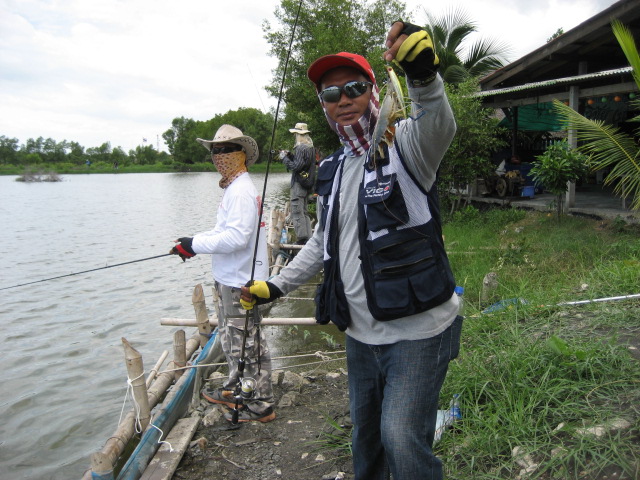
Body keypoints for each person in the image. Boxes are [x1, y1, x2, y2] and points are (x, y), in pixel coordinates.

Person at [241, 21, 463, 479]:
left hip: (418, 333)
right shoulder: (335, 167)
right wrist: (276, 285)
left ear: (373, 92)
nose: (342, 99)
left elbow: (438, 122)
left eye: (353, 88)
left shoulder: (407, 148)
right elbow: (324, 239)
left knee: (401, 438)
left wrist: (424, 77)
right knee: (367, 442)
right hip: (360, 336)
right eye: (330, 94)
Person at [170, 124, 275, 423]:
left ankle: (260, 405)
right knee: (234, 340)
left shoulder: (241, 191)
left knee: (247, 344)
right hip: (229, 279)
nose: (219, 156)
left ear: (242, 154)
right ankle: (234, 388)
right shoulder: (234, 187)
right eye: (215, 151)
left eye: (226, 150)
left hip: (240, 282)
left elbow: (237, 238)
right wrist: (191, 244)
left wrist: (196, 244)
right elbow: (222, 232)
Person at [280, 122, 316, 244]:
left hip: (299, 185)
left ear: (299, 134)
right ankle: (308, 238)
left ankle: (301, 239)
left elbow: (296, 166)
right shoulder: (310, 147)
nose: (295, 136)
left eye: (296, 134)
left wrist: (284, 158)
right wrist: (290, 155)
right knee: (304, 211)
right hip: (306, 184)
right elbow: (302, 163)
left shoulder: (301, 148)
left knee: (296, 211)